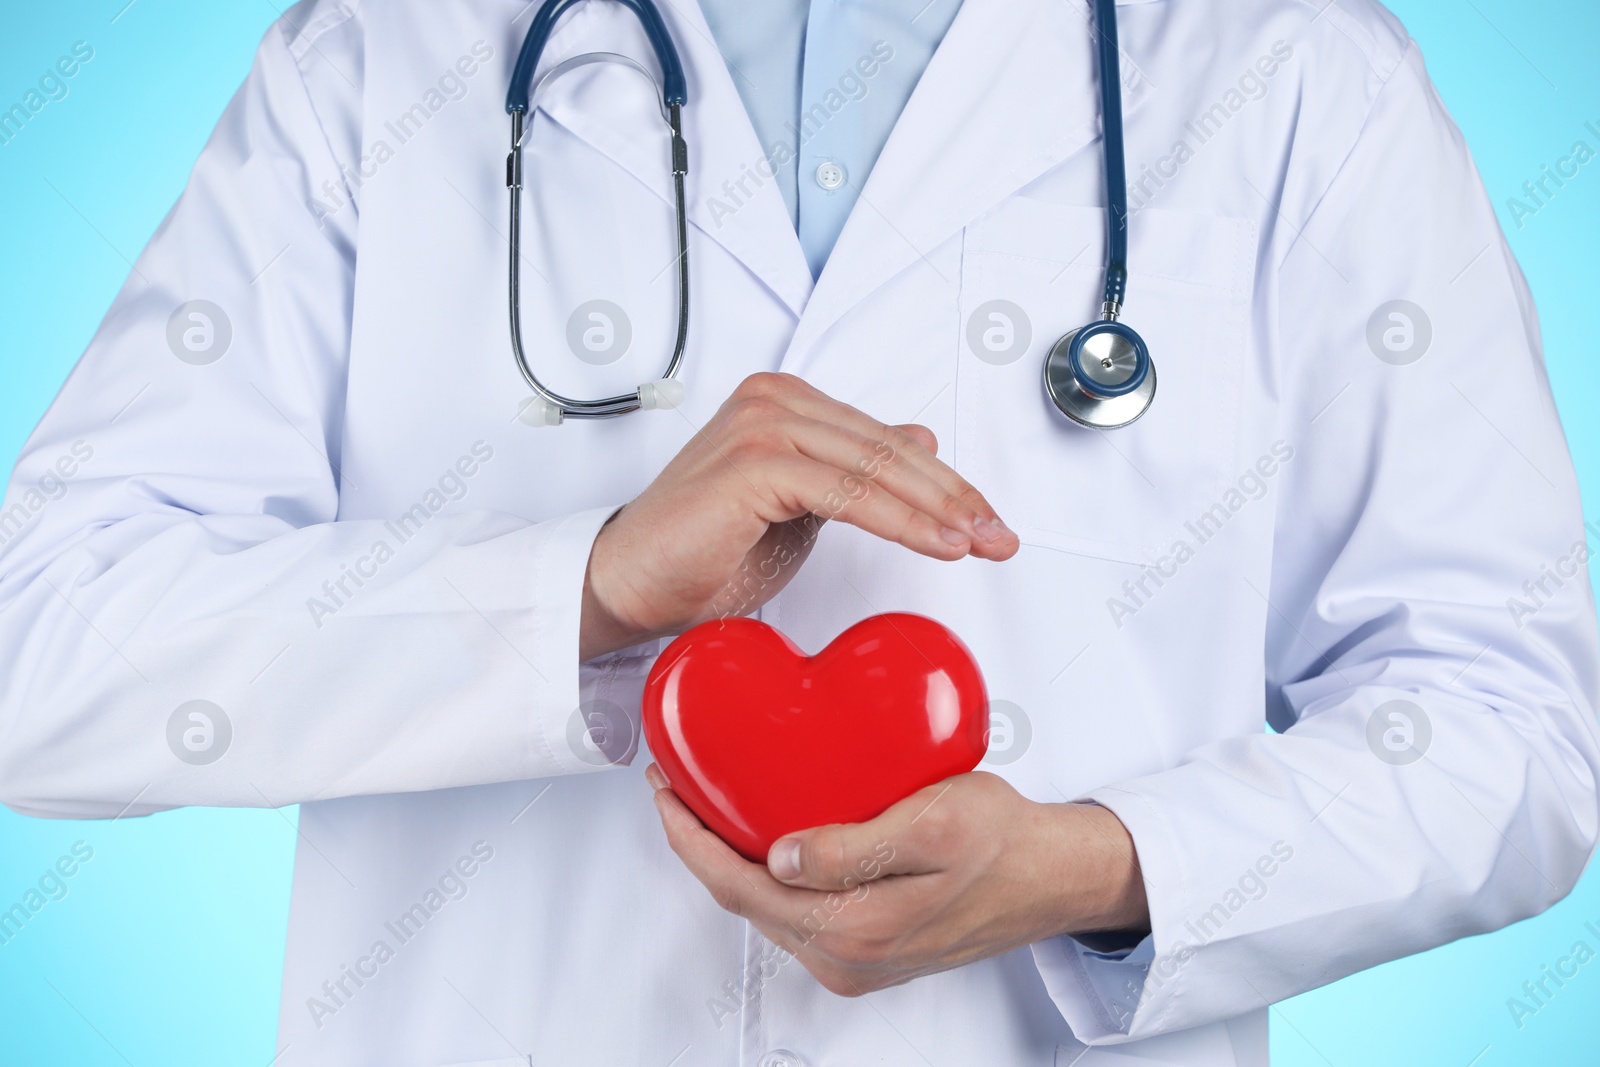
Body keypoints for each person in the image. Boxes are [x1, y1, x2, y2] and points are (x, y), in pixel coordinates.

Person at [1, 0, 1595, 1064]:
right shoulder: (385, 53)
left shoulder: (1292, 73)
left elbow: (1511, 725)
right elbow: (40, 646)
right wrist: (583, 586)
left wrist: (1097, 870)